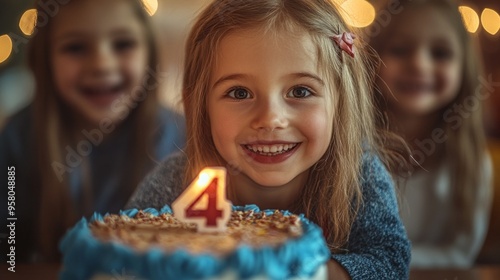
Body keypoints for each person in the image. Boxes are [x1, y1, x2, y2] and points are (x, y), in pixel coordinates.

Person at [126, 0, 411, 278]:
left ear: (340, 101)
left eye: (300, 91)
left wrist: (314, 272)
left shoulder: (360, 177)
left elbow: (389, 261)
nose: (270, 119)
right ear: (201, 105)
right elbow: (123, 254)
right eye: (239, 93)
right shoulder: (176, 182)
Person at [0, 0, 185, 262]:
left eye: (123, 44)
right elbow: (8, 254)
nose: (101, 64)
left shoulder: (183, 138)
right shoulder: (16, 141)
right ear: (45, 59)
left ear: (150, 53)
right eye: (75, 47)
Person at [368, 0, 493, 268]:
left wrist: (381, 261)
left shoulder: (472, 163)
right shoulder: (350, 150)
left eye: (440, 53)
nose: (419, 64)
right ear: (372, 58)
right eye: (400, 50)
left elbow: (459, 254)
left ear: (465, 68)